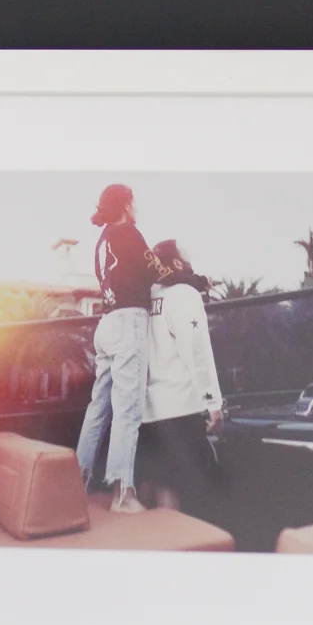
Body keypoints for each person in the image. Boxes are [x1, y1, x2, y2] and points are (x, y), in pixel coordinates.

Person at [74, 183, 159, 513]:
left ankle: (75, 484)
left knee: (98, 407)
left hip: (106, 323)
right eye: (133, 202)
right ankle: (123, 495)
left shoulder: (102, 241)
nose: (136, 208)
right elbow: (157, 271)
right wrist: (196, 279)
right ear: (125, 204)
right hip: (128, 322)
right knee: (128, 410)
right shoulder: (131, 235)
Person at [137, 240, 224, 521]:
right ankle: (168, 545)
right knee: (170, 489)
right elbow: (195, 350)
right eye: (185, 256)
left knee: (148, 486)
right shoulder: (185, 296)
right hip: (177, 410)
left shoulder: (146, 296)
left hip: (146, 410)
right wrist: (212, 402)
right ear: (176, 262)